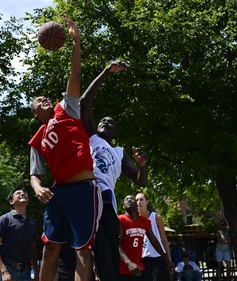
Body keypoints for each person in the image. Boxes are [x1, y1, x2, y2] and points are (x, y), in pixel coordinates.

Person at [28, 16, 101, 281]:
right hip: (58, 193)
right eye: (38, 101)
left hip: (83, 188)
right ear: (36, 114)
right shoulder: (37, 138)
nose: (44, 98)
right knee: (50, 248)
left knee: (83, 250)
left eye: (45, 97)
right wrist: (37, 188)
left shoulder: (66, 109)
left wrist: (76, 41)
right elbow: (35, 173)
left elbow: (75, 73)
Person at [79, 61, 148, 281]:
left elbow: (140, 181)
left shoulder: (119, 152)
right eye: (103, 120)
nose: (106, 122)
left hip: (108, 201)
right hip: (91, 194)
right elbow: (84, 102)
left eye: (111, 122)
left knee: (110, 252)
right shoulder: (92, 137)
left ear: (115, 132)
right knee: (94, 248)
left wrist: (142, 166)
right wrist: (105, 72)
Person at [118, 195, 173, 281]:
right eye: (126, 199)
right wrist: (129, 263)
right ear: (123, 206)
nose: (128, 200)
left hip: (139, 268)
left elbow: (154, 241)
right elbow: (116, 244)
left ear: (136, 205)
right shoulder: (120, 220)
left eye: (131, 199)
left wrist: (166, 259)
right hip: (123, 269)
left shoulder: (145, 222)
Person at [0, 187, 39, 281]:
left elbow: (33, 250)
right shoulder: (5, 219)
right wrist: (4, 271)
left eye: (25, 193)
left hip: (26, 272)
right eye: (18, 193)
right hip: (7, 269)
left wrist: (36, 273)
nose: (23, 194)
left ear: (28, 201)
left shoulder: (33, 223)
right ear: (11, 201)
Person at [136, 192, 172, 281]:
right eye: (136, 200)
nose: (138, 202)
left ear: (147, 202)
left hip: (157, 258)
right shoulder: (134, 219)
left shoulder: (156, 217)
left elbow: (164, 240)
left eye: (141, 199)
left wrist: (169, 259)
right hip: (142, 260)